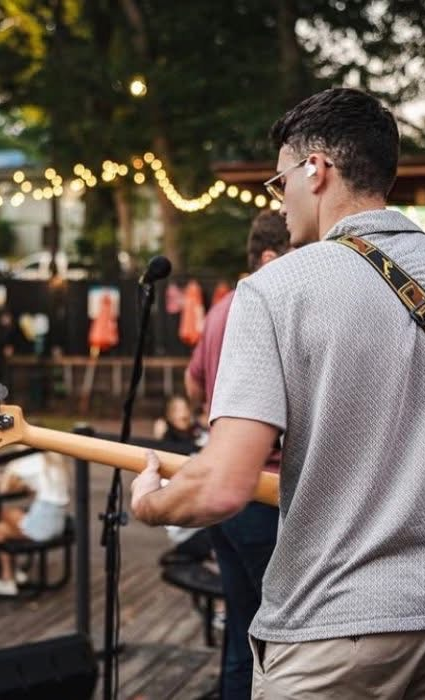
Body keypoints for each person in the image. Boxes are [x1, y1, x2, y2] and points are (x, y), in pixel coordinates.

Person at [129, 87, 425, 697]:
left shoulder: (275, 290)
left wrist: (151, 504)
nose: (280, 199)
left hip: (332, 628)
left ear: (316, 169)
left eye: (280, 181)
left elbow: (222, 485)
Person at [184, 210, 290, 699]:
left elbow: (192, 383)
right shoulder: (266, 309)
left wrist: (213, 412)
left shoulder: (219, 309)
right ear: (269, 258)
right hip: (261, 494)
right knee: (281, 642)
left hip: (222, 497)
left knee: (240, 635)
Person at [0, 451, 70, 597]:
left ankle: (7, 579)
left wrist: (7, 469)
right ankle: (11, 573)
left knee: (1, 522)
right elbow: (31, 486)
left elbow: (3, 488)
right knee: (2, 523)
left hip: (44, 522)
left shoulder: (30, 459)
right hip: (58, 521)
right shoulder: (53, 457)